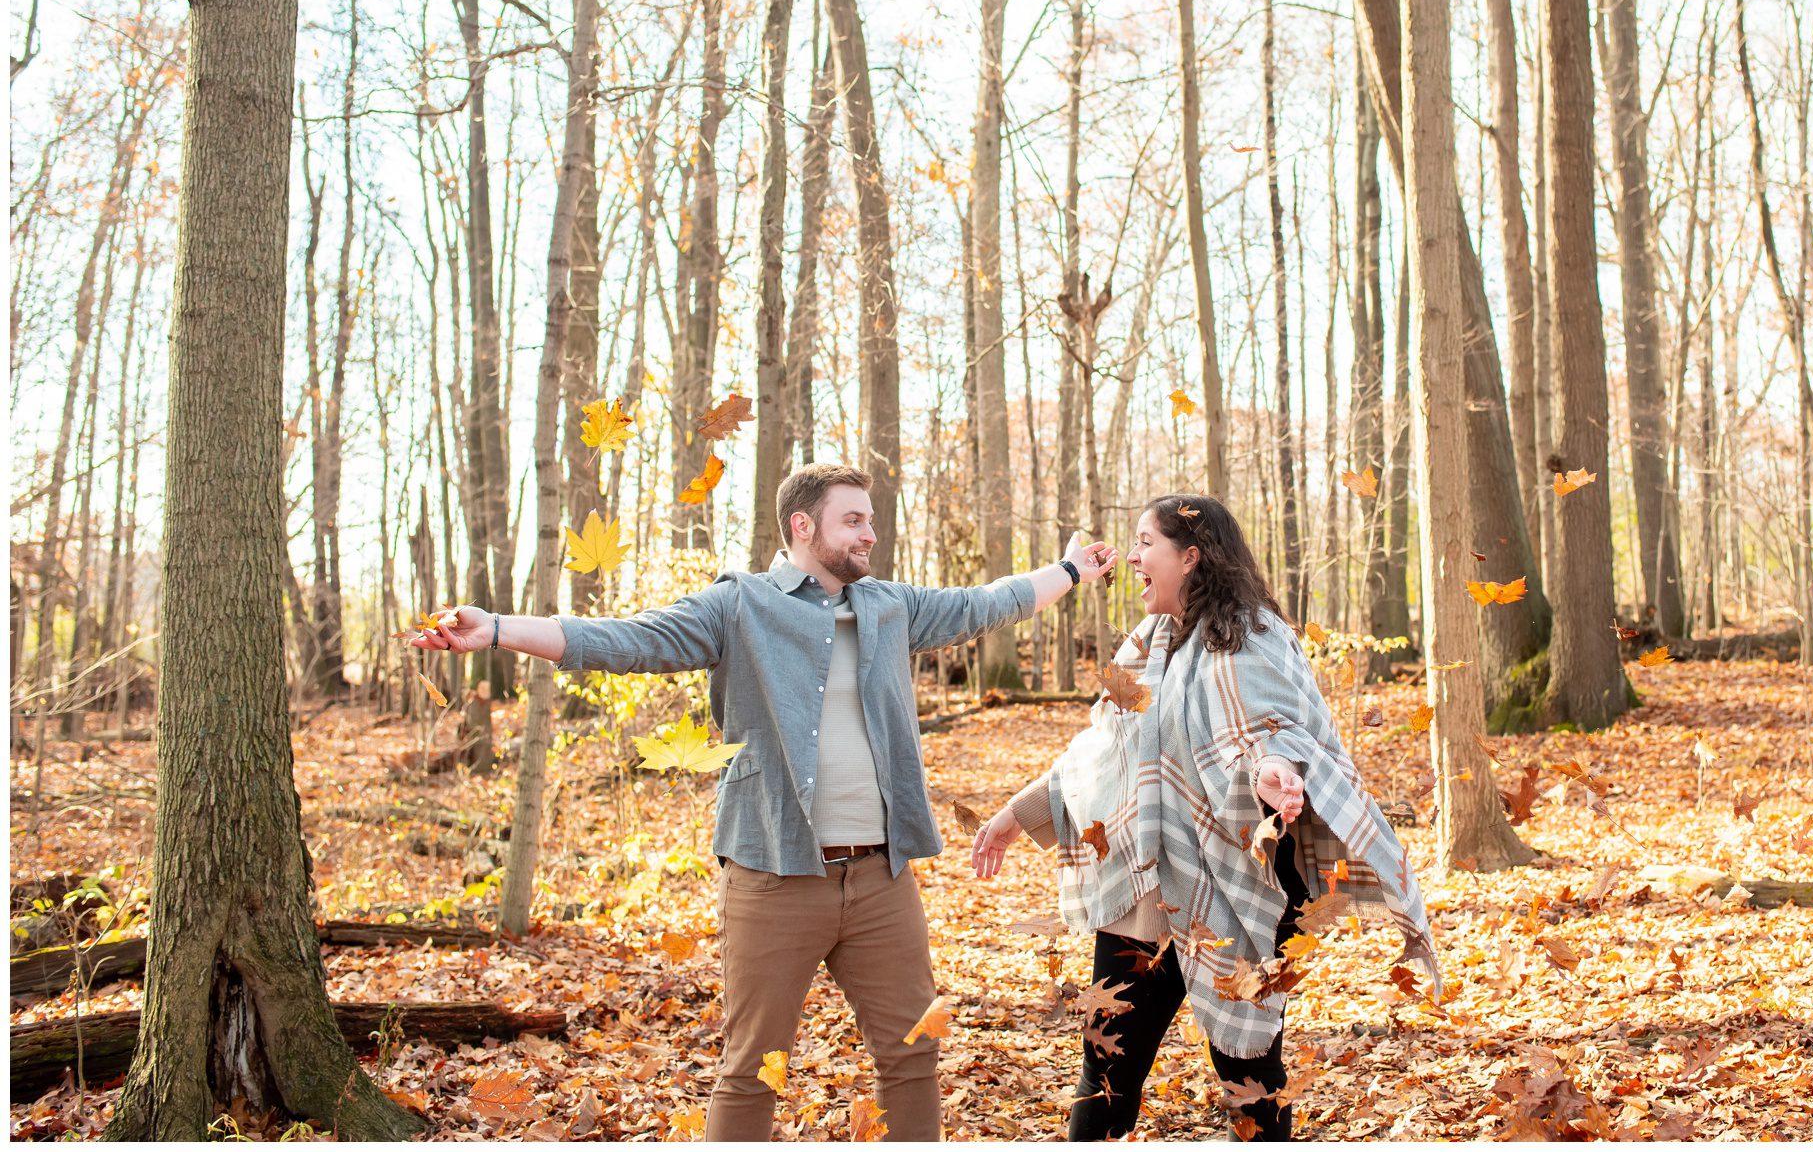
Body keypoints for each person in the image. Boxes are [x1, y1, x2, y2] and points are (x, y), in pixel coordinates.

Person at [411, 462, 1115, 1141]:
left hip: (881, 880)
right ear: (802, 525)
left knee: (912, 1054)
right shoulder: (739, 605)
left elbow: (986, 603)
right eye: (855, 521)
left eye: (871, 521)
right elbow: (625, 639)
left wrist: (1072, 571)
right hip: (774, 875)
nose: (871, 534)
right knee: (750, 1071)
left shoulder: (890, 606)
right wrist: (498, 628)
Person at [971, 493, 1439, 1141]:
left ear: (1190, 557)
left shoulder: (1256, 637)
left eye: (1146, 544)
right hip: (1143, 899)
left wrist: (1274, 771)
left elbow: (1276, 728)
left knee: (1251, 1077)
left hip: (1231, 896)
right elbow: (1104, 753)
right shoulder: (1144, 644)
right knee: (1107, 1072)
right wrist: (1017, 814)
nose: (1132, 556)